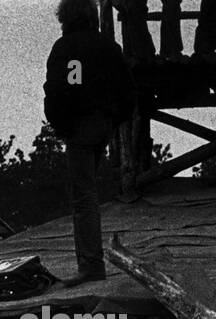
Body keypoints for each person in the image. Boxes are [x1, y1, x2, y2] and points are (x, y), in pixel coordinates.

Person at [44, 0, 135, 287]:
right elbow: (127, 92)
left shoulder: (66, 48)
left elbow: (60, 91)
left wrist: (61, 125)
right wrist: (113, 119)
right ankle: (91, 261)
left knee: (83, 197)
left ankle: (91, 265)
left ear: (66, 17)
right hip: (103, 125)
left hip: (79, 126)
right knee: (89, 190)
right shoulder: (109, 47)